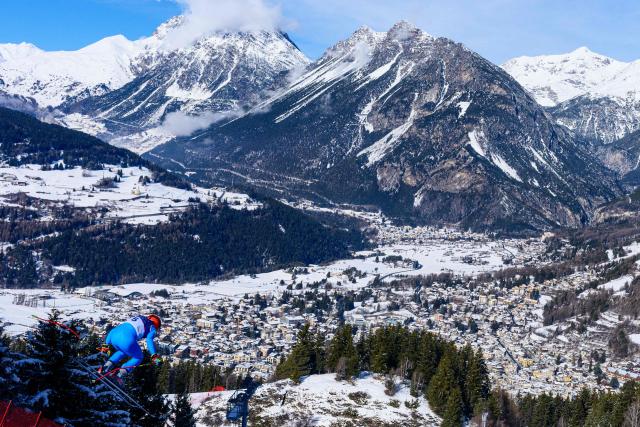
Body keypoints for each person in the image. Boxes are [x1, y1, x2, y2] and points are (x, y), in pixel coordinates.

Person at [100, 314, 163, 381]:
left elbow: (113, 330)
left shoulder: (137, 318)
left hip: (113, 336)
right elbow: (149, 340)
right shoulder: (152, 327)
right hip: (126, 339)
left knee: (123, 351)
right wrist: (154, 356)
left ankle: (106, 367)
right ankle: (119, 375)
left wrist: (105, 344)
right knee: (138, 357)